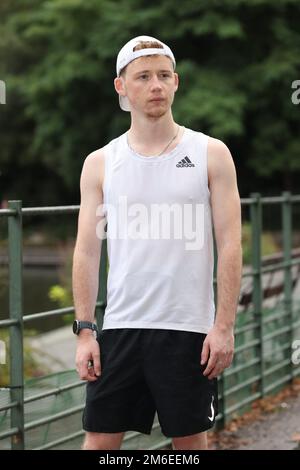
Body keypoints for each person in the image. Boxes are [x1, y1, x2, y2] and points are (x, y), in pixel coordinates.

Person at [72, 35, 242, 451]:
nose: (156, 86)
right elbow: (87, 251)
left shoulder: (211, 153)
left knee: (189, 444)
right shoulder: (100, 162)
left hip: (187, 330)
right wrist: (85, 332)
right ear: (121, 86)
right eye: (143, 76)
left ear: (176, 82)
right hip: (120, 328)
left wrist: (223, 328)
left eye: (164, 76)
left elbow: (231, 245)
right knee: (98, 443)